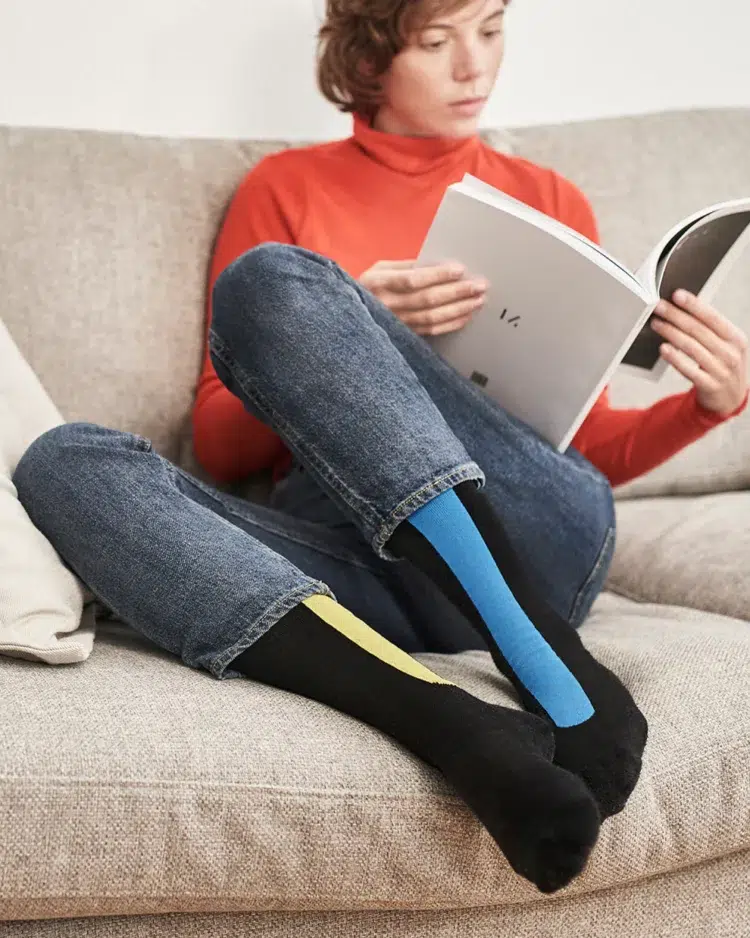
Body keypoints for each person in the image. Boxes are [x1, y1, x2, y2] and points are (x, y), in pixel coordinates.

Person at [12, 0, 748, 896]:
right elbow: (220, 439)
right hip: (360, 578)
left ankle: (545, 656)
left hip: (529, 547)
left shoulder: (548, 196)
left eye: (491, 30)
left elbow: (584, 452)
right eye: (437, 42)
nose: (474, 66)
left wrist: (705, 409)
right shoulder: (288, 186)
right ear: (371, 58)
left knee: (279, 281)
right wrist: (359, 322)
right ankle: (449, 723)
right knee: (66, 459)